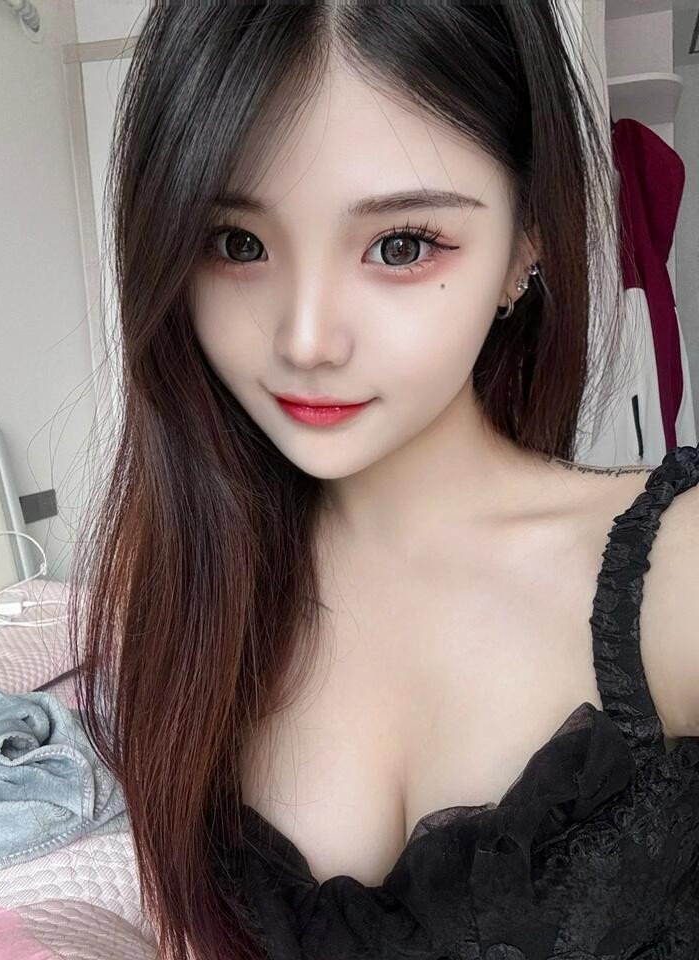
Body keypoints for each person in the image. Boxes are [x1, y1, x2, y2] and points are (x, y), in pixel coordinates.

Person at [67, 2, 699, 958]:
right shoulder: (187, 591)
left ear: (526, 243)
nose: (305, 339)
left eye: (400, 244)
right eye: (238, 244)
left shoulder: (678, 575)